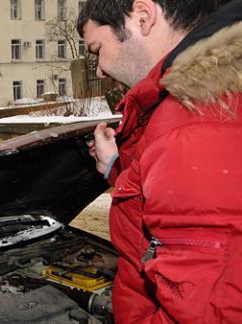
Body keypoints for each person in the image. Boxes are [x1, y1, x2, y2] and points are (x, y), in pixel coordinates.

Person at [78, 0, 242, 322]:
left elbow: (202, 311)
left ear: (142, 17)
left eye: (97, 49)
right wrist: (117, 169)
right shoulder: (204, 105)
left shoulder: (194, 122)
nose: (98, 68)